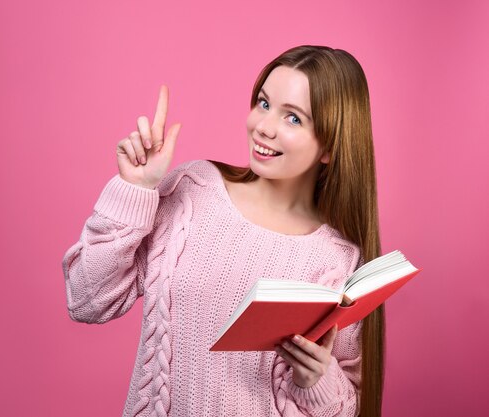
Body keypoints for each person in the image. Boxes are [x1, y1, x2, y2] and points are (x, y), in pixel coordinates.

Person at [62, 45, 384, 417]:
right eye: (263, 104)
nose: (263, 126)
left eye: (293, 118)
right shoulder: (192, 189)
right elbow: (87, 299)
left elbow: (348, 409)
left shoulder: (337, 262)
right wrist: (134, 188)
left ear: (329, 146)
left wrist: (318, 380)